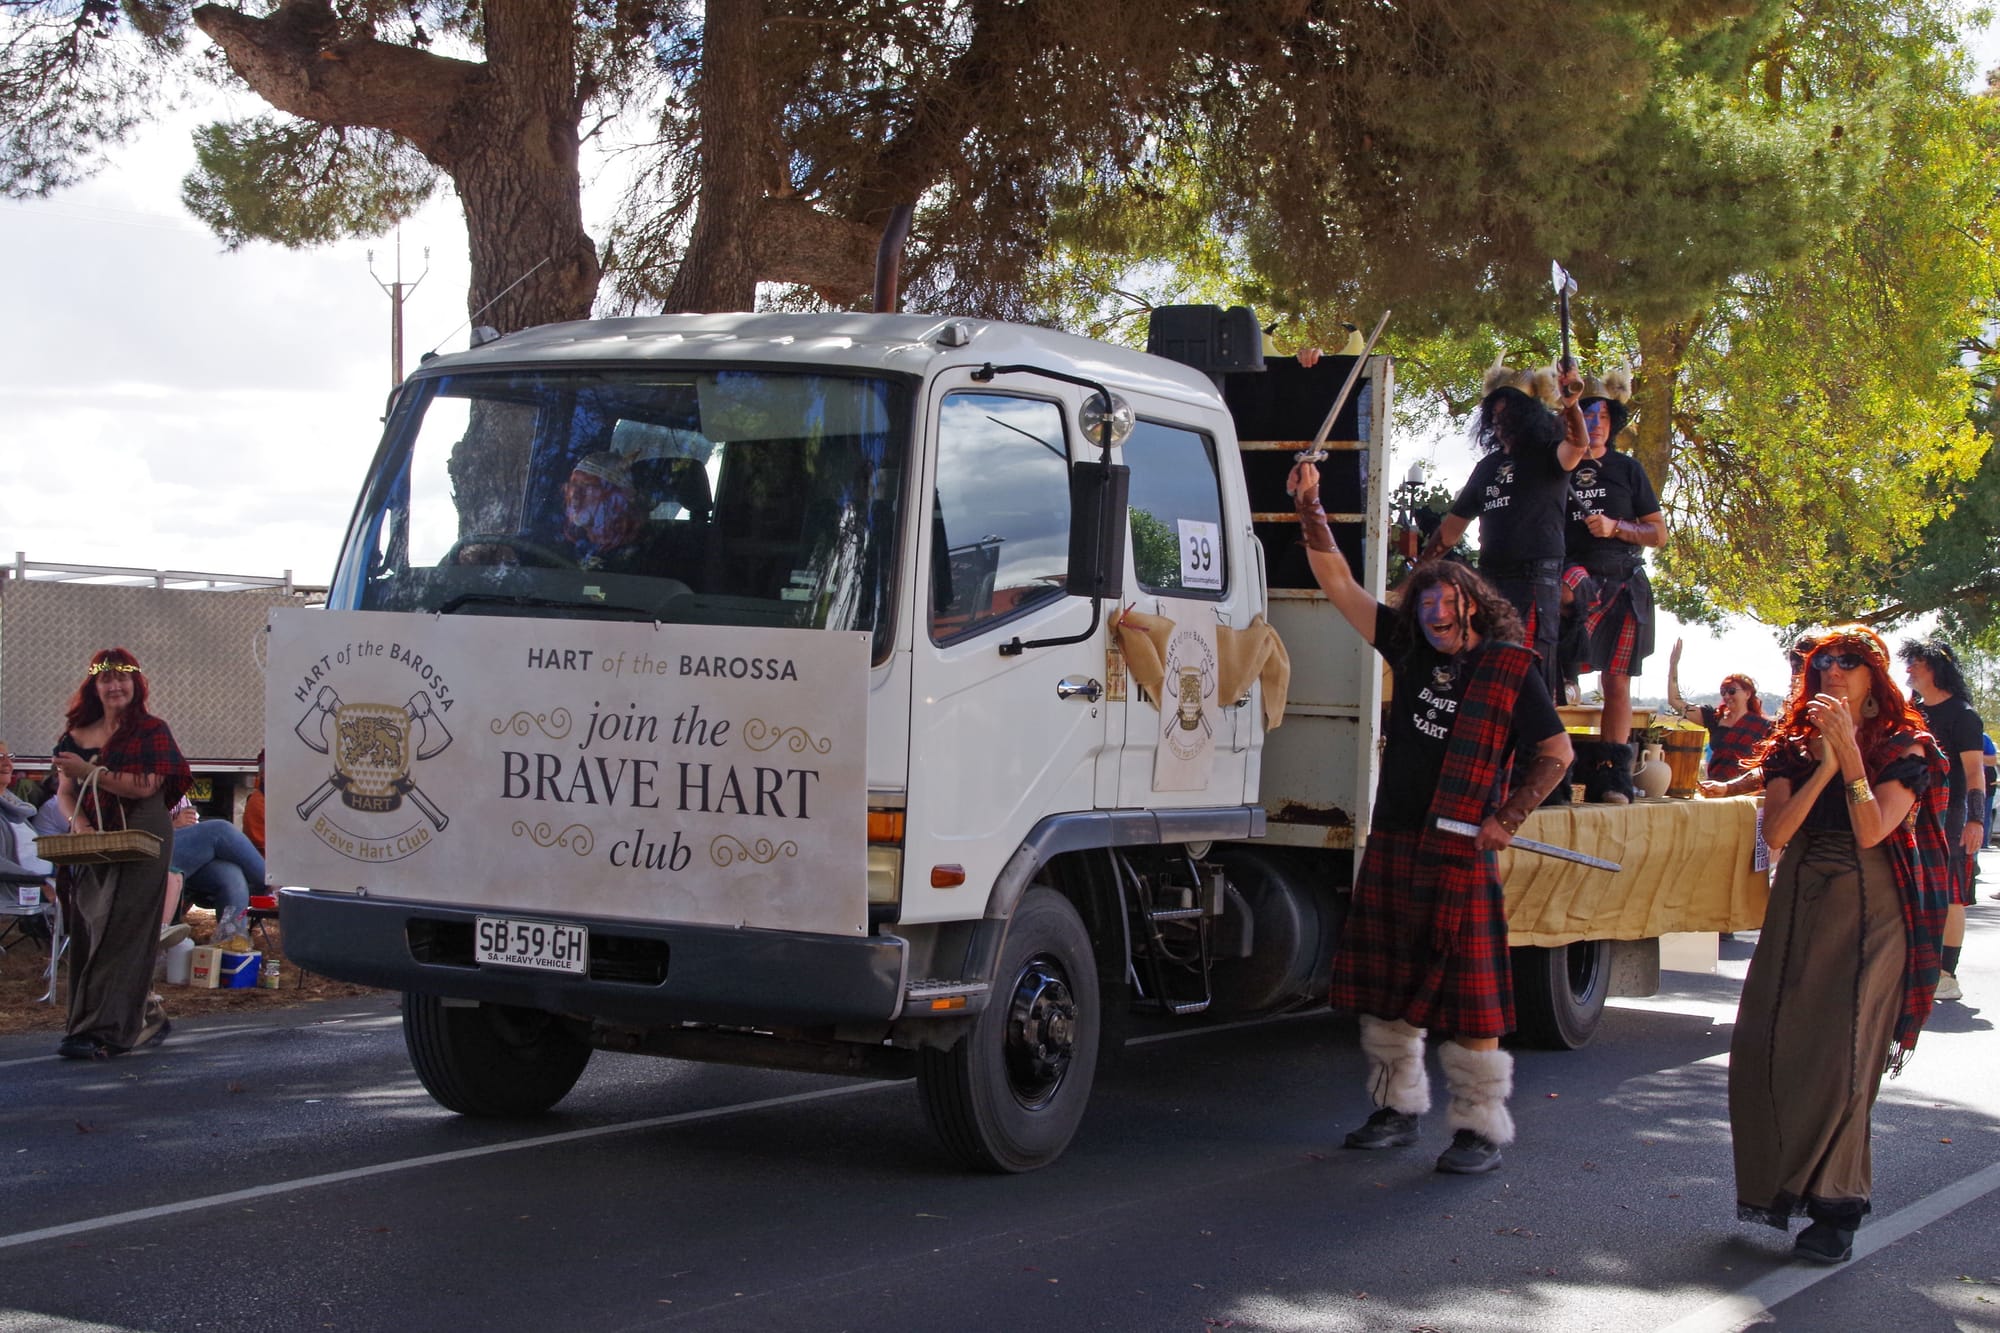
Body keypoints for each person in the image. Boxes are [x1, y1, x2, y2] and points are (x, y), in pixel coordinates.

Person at [1292, 459, 1573, 1175]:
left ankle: (1480, 1127)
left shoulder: (1513, 668)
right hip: (1397, 841)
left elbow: (1556, 752)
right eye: (1425, 611)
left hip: (1461, 853)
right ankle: (1395, 1107)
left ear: (1471, 605)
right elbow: (1339, 586)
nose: (1434, 624)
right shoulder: (1411, 648)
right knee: (1389, 990)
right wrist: (1311, 510)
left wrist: (1506, 818)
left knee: (1471, 1004)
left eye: (1444, 612)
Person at [1731, 626, 1950, 1264]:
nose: (1832, 670)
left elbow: (1873, 828)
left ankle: (1837, 1207)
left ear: (1875, 678)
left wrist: (1851, 755)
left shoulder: (1907, 744)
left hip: (1872, 905)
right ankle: (1783, 1185)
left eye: (1849, 662)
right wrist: (1824, 760)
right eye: (1822, 661)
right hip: (1799, 898)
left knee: (1844, 1056)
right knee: (1764, 1044)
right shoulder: (1790, 747)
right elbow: (1776, 833)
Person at [48, 647, 192, 1060]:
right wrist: (81, 826)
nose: (115, 686)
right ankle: (142, 1014)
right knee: (92, 923)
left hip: (143, 831)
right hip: (97, 838)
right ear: (94, 686)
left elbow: (147, 786)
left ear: (135, 683)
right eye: (106, 679)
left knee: (123, 927)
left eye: (122, 678)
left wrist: (90, 771)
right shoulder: (76, 734)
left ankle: (103, 1031)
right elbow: (65, 792)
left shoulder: (152, 730)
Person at [1422, 359, 1590, 696]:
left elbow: (1579, 444)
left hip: (1535, 581)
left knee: (1529, 681)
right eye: (1495, 417)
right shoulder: (1488, 467)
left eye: (1508, 415)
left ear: (1528, 414)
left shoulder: (1550, 456)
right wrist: (1418, 573)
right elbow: (1450, 532)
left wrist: (1571, 405)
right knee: (1488, 678)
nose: (1500, 424)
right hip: (1490, 582)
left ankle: (1535, 749)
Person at [1558, 368, 1666, 802]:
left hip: (1622, 578)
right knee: (1553, 674)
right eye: (1588, 413)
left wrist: (1616, 527)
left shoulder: (1628, 470)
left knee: (1617, 680)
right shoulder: (1558, 465)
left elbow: (1657, 533)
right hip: (1571, 579)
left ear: (1613, 424)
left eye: (1604, 416)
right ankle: (1551, 772)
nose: (1597, 422)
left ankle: (1612, 776)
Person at [1898, 639, 1985, 1004]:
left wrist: (1976, 820)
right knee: (1909, 890)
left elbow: (1975, 773)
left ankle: (1947, 974)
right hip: (1908, 812)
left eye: (1916, 663)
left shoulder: (1963, 715)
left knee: (1951, 894)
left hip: (1950, 816)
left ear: (1936, 667)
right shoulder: (1911, 710)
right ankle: (1913, 967)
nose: (1909, 670)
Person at [166, 797, 267, 952]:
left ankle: (232, 945)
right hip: (155, 847)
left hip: (184, 852)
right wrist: (171, 824)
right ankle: (274, 884)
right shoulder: (139, 783)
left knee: (231, 874)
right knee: (220, 830)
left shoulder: (171, 783)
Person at [1667, 640, 1772, 784]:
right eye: (1723, 692)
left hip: (1745, 790)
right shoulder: (1714, 717)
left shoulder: (1763, 726)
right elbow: (1675, 701)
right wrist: (1673, 665)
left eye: (1732, 691)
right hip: (1715, 787)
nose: (1727, 696)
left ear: (1748, 694)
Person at [564, 451, 667, 572]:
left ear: (618, 500)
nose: (575, 494)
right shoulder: (563, 549)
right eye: (573, 484)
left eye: (587, 485)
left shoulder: (646, 557)